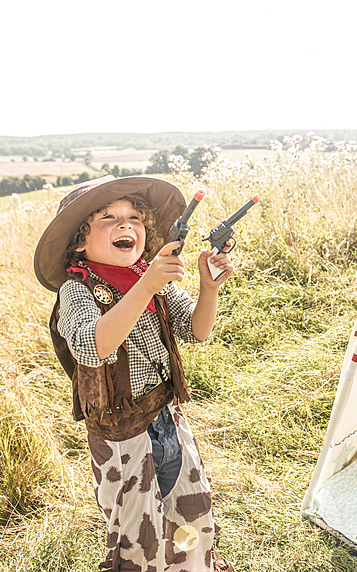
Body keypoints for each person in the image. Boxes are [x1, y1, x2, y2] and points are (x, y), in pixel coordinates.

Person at [33, 175, 234, 572]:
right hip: (122, 437)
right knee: (137, 537)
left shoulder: (149, 275)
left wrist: (208, 288)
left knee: (191, 512)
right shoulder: (78, 290)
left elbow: (196, 332)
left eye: (133, 217)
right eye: (108, 217)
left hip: (167, 418)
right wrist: (146, 285)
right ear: (80, 242)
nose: (125, 224)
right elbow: (93, 346)